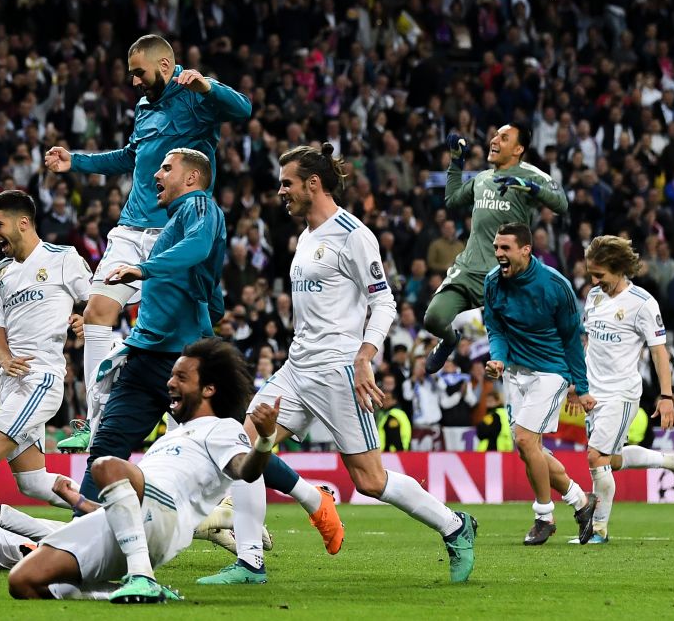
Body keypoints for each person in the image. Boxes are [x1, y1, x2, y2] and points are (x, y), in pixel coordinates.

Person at [220, 143, 476, 586]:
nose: (280, 191)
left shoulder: (353, 234)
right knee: (240, 450)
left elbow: (384, 302)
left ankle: (455, 526)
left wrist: (364, 355)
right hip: (297, 369)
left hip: (338, 370)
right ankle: (250, 563)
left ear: (312, 184)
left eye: (287, 183)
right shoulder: (306, 237)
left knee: (370, 482)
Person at [45, 34, 251, 451]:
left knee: (187, 335)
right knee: (98, 310)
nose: (134, 81)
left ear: (163, 65)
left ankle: (199, 431)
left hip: (173, 230)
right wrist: (77, 161)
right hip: (129, 227)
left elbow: (243, 109)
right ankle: (96, 419)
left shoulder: (195, 96)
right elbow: (130, 156)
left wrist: (207, 85)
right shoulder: (143, 108)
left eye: (139, 72)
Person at [7, 338, 276, 604]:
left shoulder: (223, 427)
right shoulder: (171, 437)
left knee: (106, 464)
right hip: (129, 526)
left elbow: (246, 471)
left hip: (167, 519)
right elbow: (124, 512)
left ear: (208, 389)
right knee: (23, 581)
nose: (170, 383)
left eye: (181, 377)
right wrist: (77, 500)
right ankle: (123, 589)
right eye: (172, 376)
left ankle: (142, 577)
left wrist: (264, 440)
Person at [76, 148, 226, 504]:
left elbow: (199, 246)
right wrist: (203, 309)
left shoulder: (198, 206)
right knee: (107, 447)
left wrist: (144, 268)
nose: (156, 175)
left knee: (227, 450)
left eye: (166, 168)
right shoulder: (177, 221)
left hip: (185, 361)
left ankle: (299, 502)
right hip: (146, 356)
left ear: (191, 178)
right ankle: (80, 536)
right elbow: (209, 291)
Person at [0, 189, 89, 506]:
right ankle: (111, 512)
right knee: (32, 482)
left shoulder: (62, 258)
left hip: (41, 378)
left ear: (22, 223)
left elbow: (98, 300)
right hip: (12, 384)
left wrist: (85, 318)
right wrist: (4, 358)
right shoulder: (0, 273)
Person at [483, 222, 597, 545]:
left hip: (550, 371)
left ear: (525, 250)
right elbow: (496, 329)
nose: (498, 254)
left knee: (524, 439)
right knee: (528, 448)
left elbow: (571, 340)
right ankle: (581, 501)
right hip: (514, 373)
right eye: (495, 248)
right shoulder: (492, 283)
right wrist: (498, 358)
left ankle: (544, 516)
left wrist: (582, 386)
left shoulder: (555, 286)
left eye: (505, 248)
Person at [580, 236, 674, 543]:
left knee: (596, 457)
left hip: (621, 393)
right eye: (591, 274)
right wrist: (577, 384)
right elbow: (586, 343)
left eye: (600, 275)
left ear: (618, 269)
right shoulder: (593, 296)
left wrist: (666, 396)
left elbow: (660, 352)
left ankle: (599, 530)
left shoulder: (643, 303)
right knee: (612, 460)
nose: (594, 280)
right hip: (593, 391)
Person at [425, 125, 568, 373]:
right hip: (470, 270)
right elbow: (452, 200)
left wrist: (530, 187)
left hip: (507, 276)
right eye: (495, 135)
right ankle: (449, 340)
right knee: (433, 319)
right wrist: (456, 162)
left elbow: (561, 203)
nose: (494, 140)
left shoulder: (531, 174)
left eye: (504, 138)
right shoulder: (482, 179)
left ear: (518, 149)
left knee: (520, 353)